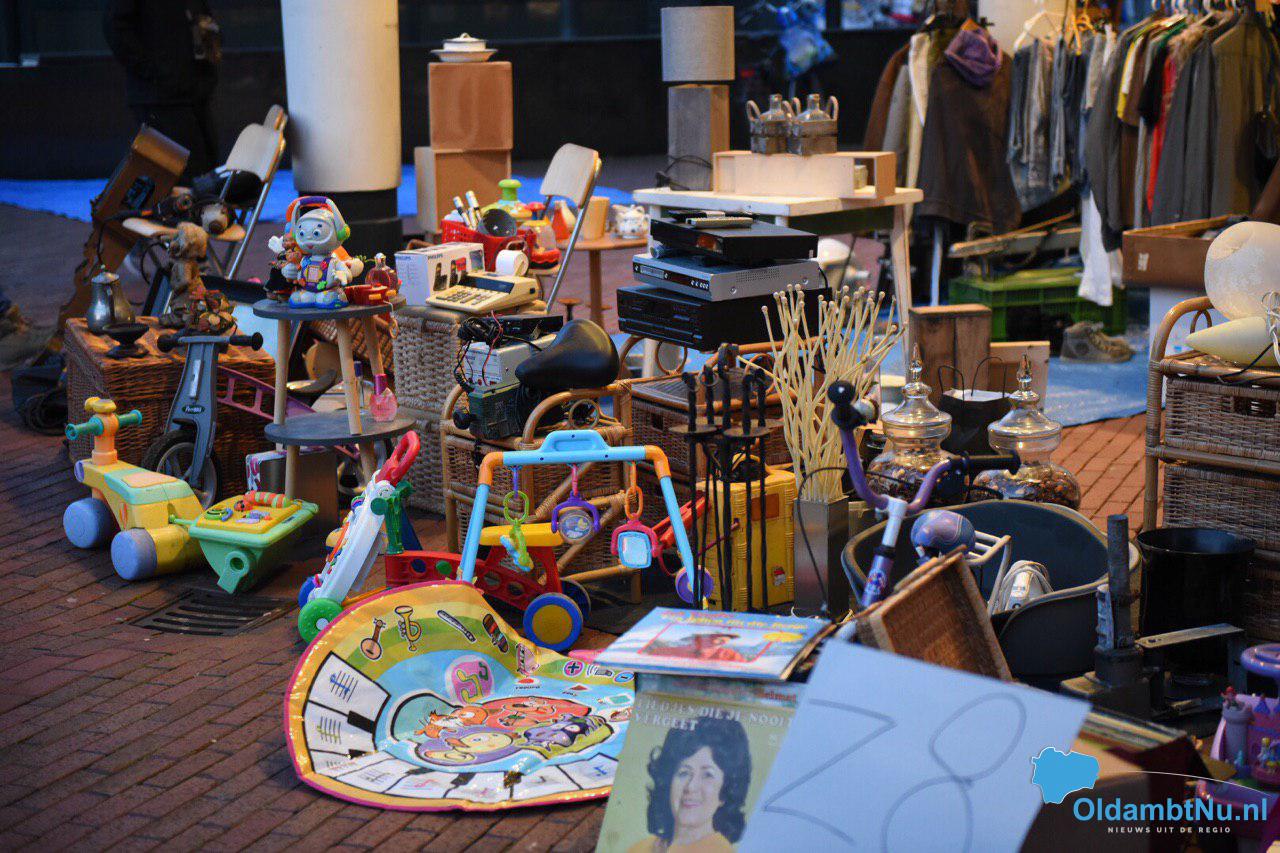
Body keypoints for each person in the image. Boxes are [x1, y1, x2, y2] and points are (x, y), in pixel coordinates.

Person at [104, 0, 222, 181]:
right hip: (160, 96)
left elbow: (204, 21)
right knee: (188, 174)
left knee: (207, 169)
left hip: (194, 92)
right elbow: (115, 26)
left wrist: (207, 74)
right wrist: (152, 70)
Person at [628, 717, 752, 853]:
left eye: (707, 775)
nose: (691, 787)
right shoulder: (640, 848)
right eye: (684, 773)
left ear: (726, 791)